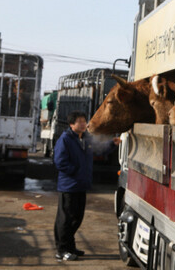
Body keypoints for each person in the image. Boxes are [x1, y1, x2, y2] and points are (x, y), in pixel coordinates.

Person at [53, 110, 120, 261]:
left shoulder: (85, 138)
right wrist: (76, 171)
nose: (84, 124)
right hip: (69, 186)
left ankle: (70, 247)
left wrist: (112, 144)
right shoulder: (65, 139)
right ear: (72, 124)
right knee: (66, 219)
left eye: (84, 121)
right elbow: (60, 161)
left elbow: (98, 149)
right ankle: (62, 250)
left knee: (77, 217)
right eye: (80, 121)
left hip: (81, 185)